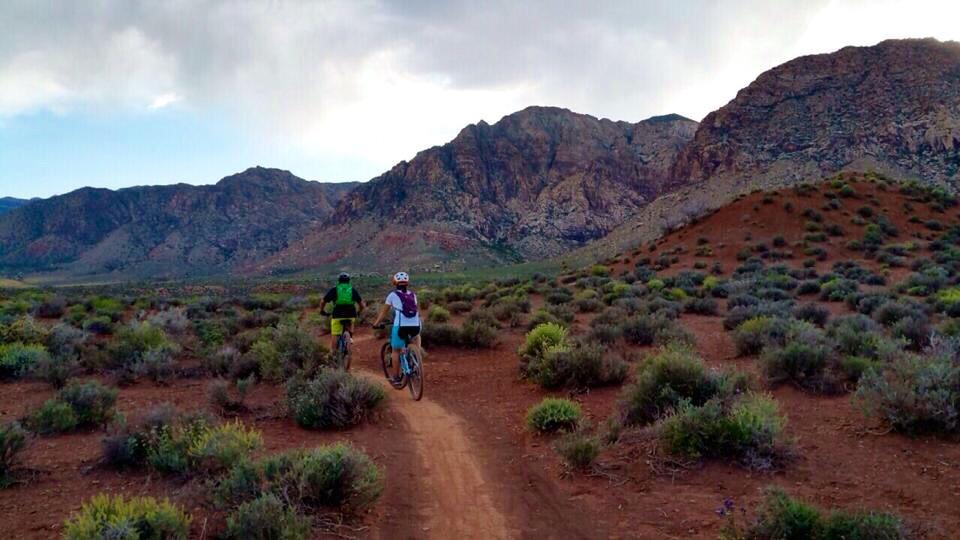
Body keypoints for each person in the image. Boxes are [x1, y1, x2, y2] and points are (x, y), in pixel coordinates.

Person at [372, 271, 421, 387]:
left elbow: (384, 312)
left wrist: (376, 324)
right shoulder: (413, 295)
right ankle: (416, 356)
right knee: (417, 335)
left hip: (400, 325)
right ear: (407, 283)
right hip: (415, 324)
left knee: (396, 350)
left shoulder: (392, 295)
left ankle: (396, 378)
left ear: (395, 283)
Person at [318, 272, 365, 351]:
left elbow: (323, 301)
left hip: (337, 314)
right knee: (351, 321)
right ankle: (350, 337)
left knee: (335, 334)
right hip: (351, 313)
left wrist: (322, 310)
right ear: (349, 281)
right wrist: (359, 312)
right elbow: (362, 305)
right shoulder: (352, 290)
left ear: (339, 281)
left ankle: (333, 353)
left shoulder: (334, 289)